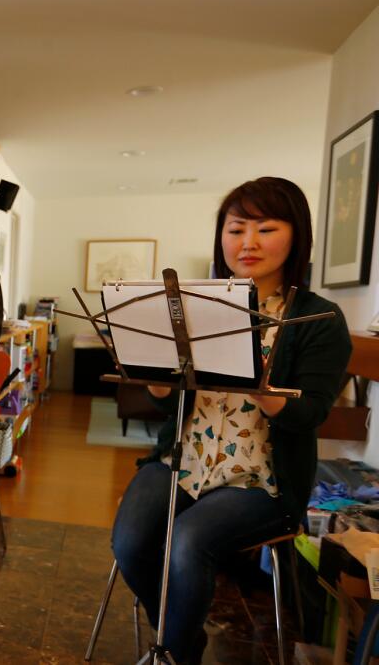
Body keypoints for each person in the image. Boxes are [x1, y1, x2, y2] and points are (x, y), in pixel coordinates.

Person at [111, 177, 352, 663]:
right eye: (236, 228)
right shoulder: (197, 304)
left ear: (296, 234)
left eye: (266, 228)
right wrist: (156, 380)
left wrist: (264, 395)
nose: (248, 243)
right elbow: (171, 405)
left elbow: (312, 414)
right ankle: (182, 637)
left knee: (188, 542)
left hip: (262, 480)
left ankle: (175, 655)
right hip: (184, 459)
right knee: (131, 540)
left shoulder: (318, 318)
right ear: (221, 235)